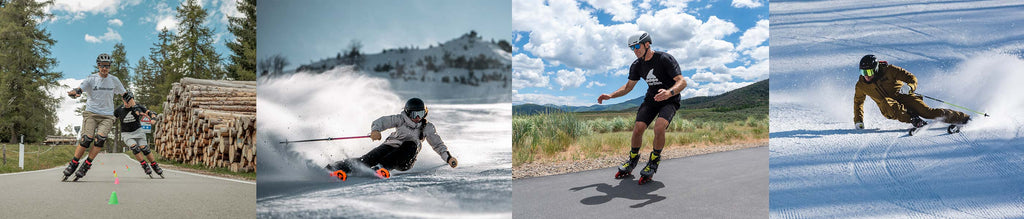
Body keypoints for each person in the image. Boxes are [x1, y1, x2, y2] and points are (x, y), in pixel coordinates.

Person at [598, 32, 687, 183]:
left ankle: (653, 160)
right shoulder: (637, 65)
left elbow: (682, 82)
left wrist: (669, 92)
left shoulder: (664, 59)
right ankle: (632, 159)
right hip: (652, 99)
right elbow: (628, 87)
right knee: (638, 127)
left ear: (647, 44)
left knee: (659, 127)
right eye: (632, 48)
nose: (635, 50)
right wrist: (610, 96)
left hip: (670, 99)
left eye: (637, 46)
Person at [326, 98, 458, 180]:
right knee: (367, 159)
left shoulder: (426, 127)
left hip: (405, 159)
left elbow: (437, 144)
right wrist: (375, 130)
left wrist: (448, 157)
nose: (417, 118)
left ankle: (382, 167)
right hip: (390, 146)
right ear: (407, 112)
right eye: (414, 114)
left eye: (421, 114)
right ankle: (335, 168)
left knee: (410, 144)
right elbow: (382, 121)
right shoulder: (400, 119)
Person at [854, 54, 970, 130]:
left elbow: (911, 78)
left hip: (904, 96)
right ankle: (914, 119)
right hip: (889, 108)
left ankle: (963, 118)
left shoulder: (890, 70)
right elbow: (858, 102)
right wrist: (858, 120)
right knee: (886, 102)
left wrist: (910, 87)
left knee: (928, 112)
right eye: (863, 73)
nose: (866, 76)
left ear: (876, 68)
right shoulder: (861, 85)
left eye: (869, 72)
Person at [63, 53, 127, 181]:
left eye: (107, 66)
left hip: (108, 116)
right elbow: (80, 89)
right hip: (91, 113)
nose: (105, 69)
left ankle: (86, 165)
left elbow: (124, 94)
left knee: (100, 140)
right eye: (102, 66)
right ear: (98, 66)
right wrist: (75, 93)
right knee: (87, 139)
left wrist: (132, 103)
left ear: (110, 66)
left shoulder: (114, 80)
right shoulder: (91, 79)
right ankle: (73, 164)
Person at [114, 92, 163, 177]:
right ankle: (144, 165)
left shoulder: (138, 107)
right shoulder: (119, 110)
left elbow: (151, 113)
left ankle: (154, 165)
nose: (127, 103)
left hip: (138, 131)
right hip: (126, 133)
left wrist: (153, 118)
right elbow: (112, 119)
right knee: (134, 148)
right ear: (123, 100)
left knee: (145, 149)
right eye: (125, 101)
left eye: (129, 101)